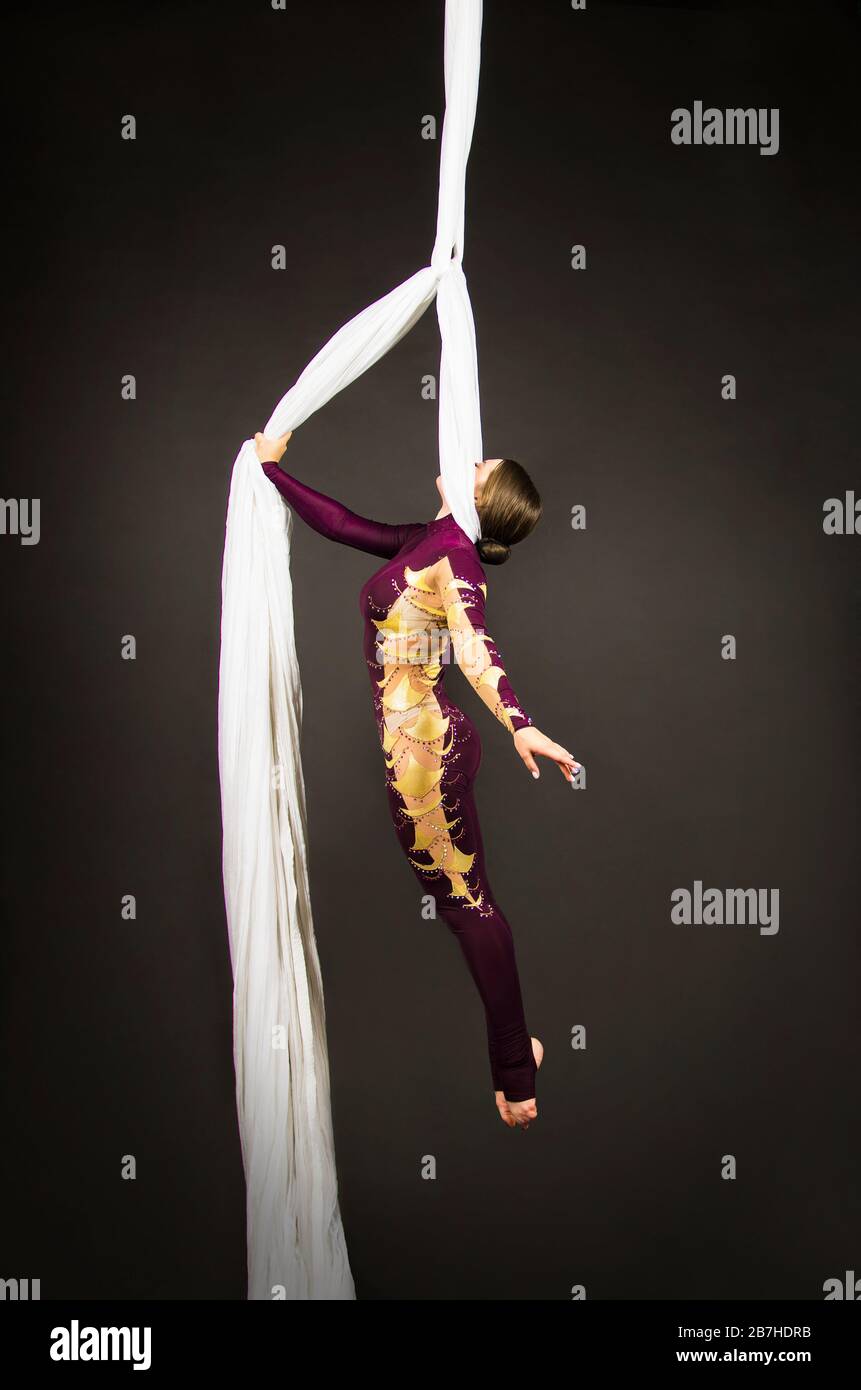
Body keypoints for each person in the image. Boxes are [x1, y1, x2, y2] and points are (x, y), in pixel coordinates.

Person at [255, 429, 580, 1129]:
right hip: (420, 746)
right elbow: (346, 526)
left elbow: (474, 646)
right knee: (465, 906)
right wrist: (273, 473)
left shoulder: (456, 559)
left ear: (483, 497)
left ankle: (515, 1072)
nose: (469, 456)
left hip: (425, 752)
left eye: (480, 464)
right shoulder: (430, 541)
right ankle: (515, 1060)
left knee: (467, 908)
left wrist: (519, 721)